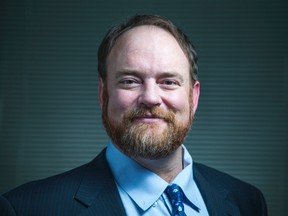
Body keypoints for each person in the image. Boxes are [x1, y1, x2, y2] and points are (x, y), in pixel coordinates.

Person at [0, 14, 267, 216]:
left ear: (193, 97)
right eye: (130, 81)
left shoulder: (248, 201)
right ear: (103, 94)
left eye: (169, 82)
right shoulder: (25, 208)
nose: (150, 97)